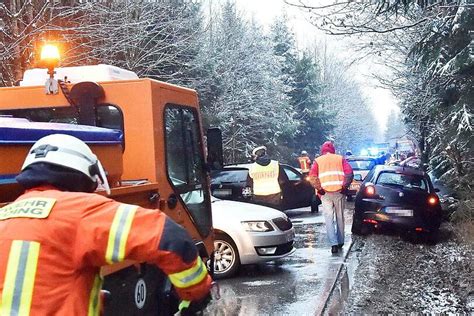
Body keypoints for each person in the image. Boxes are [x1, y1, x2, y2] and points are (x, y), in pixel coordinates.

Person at [0, 134, 212, 315]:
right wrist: (196, 294)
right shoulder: (79, 211)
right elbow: (170, 239)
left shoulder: (5, 216)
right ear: (85, 174)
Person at [309, 141, 353, 254]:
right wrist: (344, 187)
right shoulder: (340, 159)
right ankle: (340, 241)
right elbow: (349, 173)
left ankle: (333, 244)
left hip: (325, 194)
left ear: (322, 151)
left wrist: (319, 189)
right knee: (340, 217)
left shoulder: (318, 161)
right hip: (339, 192)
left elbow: (313, 177)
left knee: (328, 218)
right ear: (333, 149)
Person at [248, 146, 288, 210]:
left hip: (258, 195)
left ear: (256, 156)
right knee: (275, 214)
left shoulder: (252, 167)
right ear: (265, 153)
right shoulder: (275, 164)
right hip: (274, 195)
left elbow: (249, 183)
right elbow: (283, 180)